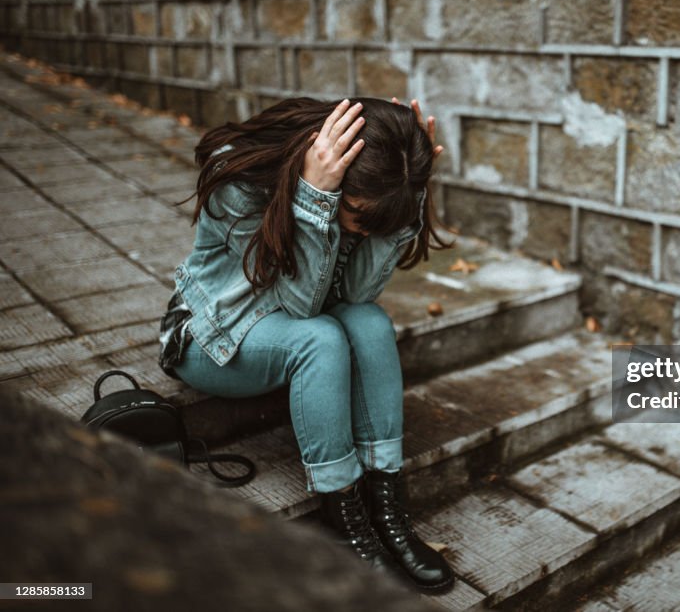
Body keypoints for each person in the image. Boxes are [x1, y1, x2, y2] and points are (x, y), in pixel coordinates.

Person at [157, 96, 456, 594]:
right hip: (211, 338)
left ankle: (386, 505)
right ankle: (344, 520)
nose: (363, 230)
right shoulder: (240, 179)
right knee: (320, 339)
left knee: (369, 322)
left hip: (289, 319)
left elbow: (356, 295)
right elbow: (299, 307)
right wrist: (315, 197)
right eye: (359, 215)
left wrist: (408, 194)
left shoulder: (367, 186)